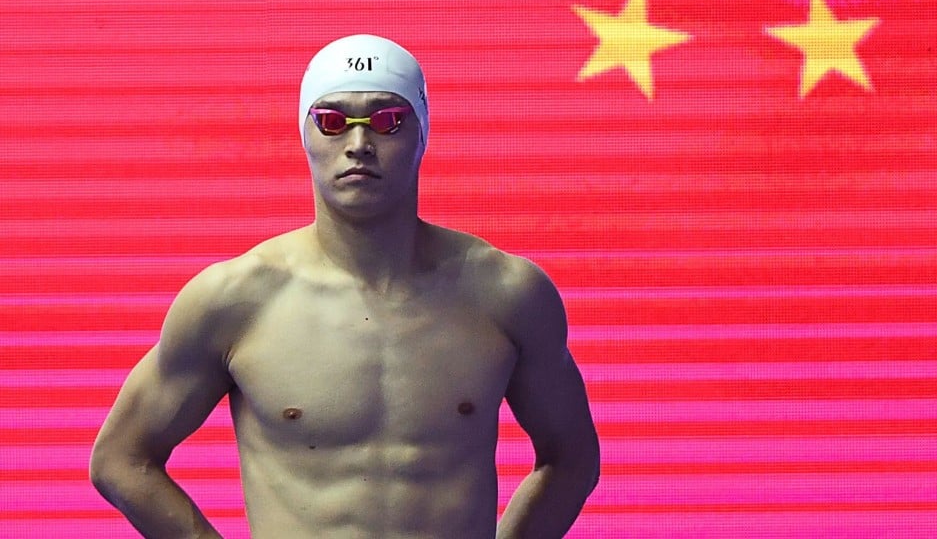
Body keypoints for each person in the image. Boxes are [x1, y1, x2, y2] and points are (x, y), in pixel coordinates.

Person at [90, 34, 600, 538]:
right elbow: (120, 457)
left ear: (421, 133)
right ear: (305, 135)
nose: (359, 144)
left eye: (387, 121)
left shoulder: (505, 293)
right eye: (333, 122)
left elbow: (572, 459)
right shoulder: (236, 300)